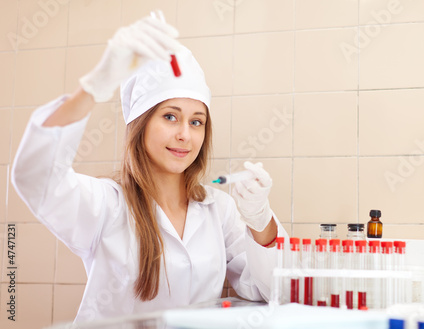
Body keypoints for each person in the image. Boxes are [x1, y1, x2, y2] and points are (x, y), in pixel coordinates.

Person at [11, 12, 287, 322]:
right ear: (141, 126)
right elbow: (36, 177)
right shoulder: (106, 204)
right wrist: (93, 88)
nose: (185, 133)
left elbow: (274, 291)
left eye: (197, 121)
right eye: (170, 116)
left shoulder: (217, 209)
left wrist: (260, 221)